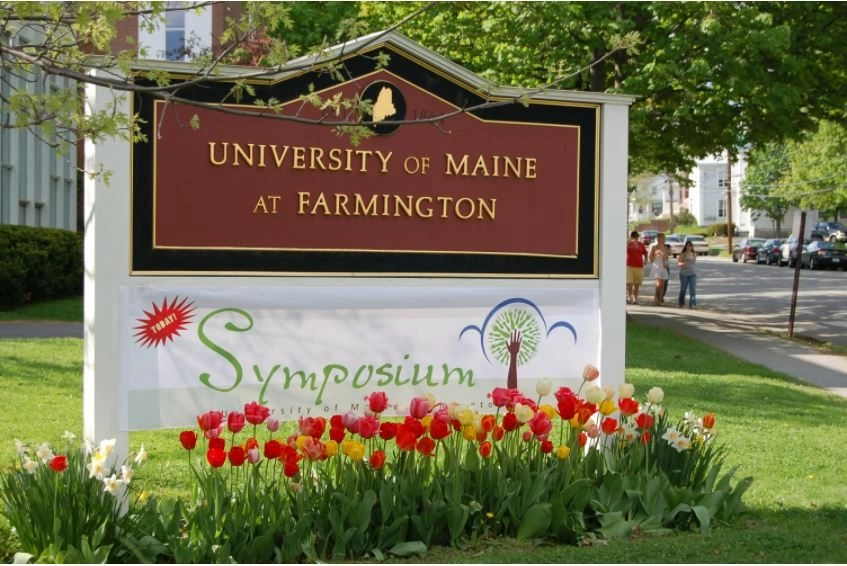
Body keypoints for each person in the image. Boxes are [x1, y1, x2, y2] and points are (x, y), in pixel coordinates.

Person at [626, 230, 648, 305]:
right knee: (630, 283)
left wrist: (646, 260)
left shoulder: (641, 244)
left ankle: (635, 298)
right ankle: (629, 297)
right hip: (629, 265)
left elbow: (645, 252)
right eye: (634, 237)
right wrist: (630, 241)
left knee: (637, 284)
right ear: (631, 237)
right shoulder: (628, 244)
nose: (635, 238)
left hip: (639, 266)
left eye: (636, 237)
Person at [649, 233, 669, 305]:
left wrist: (665, 257)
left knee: (662, 284)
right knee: (658, 284)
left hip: (663, 266)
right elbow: (650, 258)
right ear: (658, 239)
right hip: (657, 266)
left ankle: (660, 299)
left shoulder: (666, 247)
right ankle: (656, 298)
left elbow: (667, 257)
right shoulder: (654, 247)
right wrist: (656, 255)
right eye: (662, 238)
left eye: (664, 238)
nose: (664, 239)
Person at [677, 240, 697, 309]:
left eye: (690, 246)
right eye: (688, 246)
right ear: (686, 246)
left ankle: (692, 303)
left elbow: (694, 264)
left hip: (693, 273)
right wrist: (684, 263)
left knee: (692, 289)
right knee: (683, 289)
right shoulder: (683, 254)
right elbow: (678, 263)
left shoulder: (694, 254)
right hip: (684, 274)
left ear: (692, 247)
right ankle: (681, 302)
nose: (689, 247)